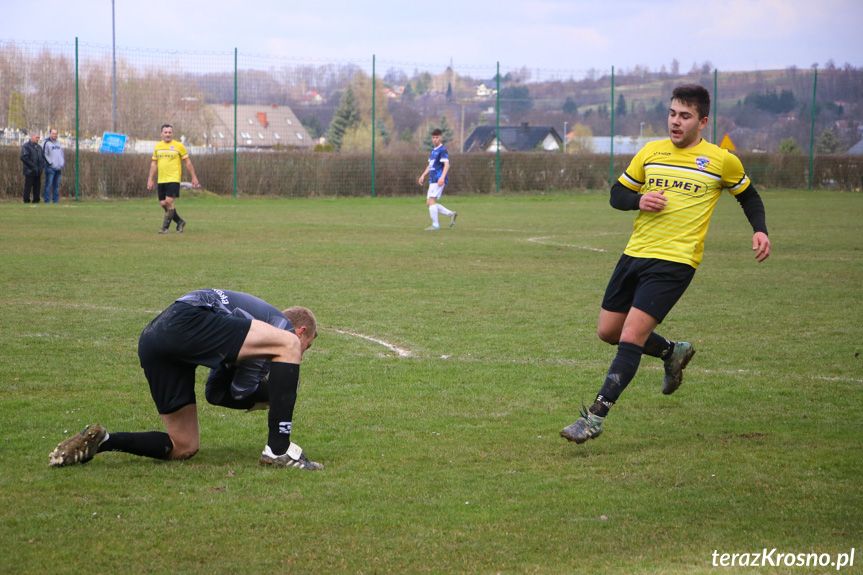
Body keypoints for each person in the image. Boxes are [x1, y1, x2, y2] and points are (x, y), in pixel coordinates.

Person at [560, 84, 771, 445]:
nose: (676, 122)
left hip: (675, 261)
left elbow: (748, 195)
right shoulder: (651, 152)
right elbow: (617, 194)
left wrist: (760, 231)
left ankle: (593, 418)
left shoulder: (720, 160)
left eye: (685, 116)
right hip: (635, 254)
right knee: (609, 331)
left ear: (702, 121)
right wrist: (639, 200)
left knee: (630, 337)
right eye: (672, 113)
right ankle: (673, 352)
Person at [49, 289, 323, 471]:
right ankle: (279, 451)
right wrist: (276, 394)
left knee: (183, 446)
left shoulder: (250, 331)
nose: (300, 355)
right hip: (188, 318)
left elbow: (216, 393)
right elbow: (241, 391)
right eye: (306, 347)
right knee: (286, 345)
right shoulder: (283, 330)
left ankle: (103, 441)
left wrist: (267, 393)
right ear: (301, 331)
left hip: (155, 336)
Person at [146, 124, 199, 234]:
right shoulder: (158, 147)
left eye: (170, 132)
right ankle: (179, 221)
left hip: (174, 178)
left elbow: (187, 162)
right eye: (165, 132)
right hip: (161, 179)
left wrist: (193, 177)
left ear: (172, 134)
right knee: (163, 204)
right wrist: (150, 179)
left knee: (169, 201)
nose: (168, 134)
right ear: (161, 134)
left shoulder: (179, 146)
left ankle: (165, 228)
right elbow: (153, 164)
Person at [418, 128, 457, 231]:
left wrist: (442, 177)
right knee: (429, 203)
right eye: (433, 137)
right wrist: (423, 175)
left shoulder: (442, 150)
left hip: (438, 180)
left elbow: (447, 164)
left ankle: (435, 225)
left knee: (431, 201)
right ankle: (450, 214)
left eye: (437, 137)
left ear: (441, 138)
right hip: (432, 179)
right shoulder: (433, 150)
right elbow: (430, 165)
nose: (435, 139)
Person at [20, 131, 46, 204]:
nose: (38, 139)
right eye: (36, 137)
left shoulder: (39, 148)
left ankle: (36, 199)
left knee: (37, 186)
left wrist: (41, 166)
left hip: (38, 171)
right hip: (29, 171)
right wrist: (32, 166)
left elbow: (42, 158)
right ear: (32, 137)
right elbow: (24, 157)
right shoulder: (26, 146)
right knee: (28, 186)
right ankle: (26, 200)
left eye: (38, 138)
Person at [42, 128, 65, 203]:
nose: (54, 135)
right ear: (50, 134)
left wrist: (62, 162)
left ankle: (55, 200)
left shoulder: (58, 143)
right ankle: (47, 200)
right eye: (53, 133)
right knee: (48, 184)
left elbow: (61, 153)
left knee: (56, 185)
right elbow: (44, 154)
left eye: (56, 133)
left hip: (58, 167)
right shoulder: (46, 143)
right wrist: (50, 163)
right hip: (50, 168)